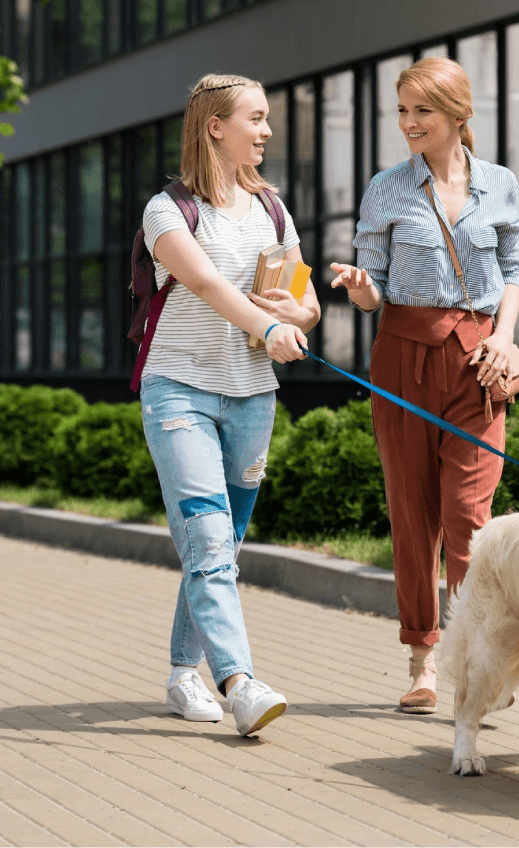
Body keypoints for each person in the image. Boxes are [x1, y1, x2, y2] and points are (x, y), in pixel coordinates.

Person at [330, 57, 519, 714]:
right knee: (412, 515)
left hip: (479, 361)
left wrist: (503, 337)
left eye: (422, 111)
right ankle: (423, 660)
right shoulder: (386, 188)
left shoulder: (498, 184)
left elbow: (512, 271)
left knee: (469, 516)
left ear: (457, 114)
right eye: (403, 111)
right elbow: (372, 287)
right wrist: (362, 290)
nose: (409, 123)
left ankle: (477, 659)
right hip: (403, 359)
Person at [140, 73, 320, 736]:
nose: (267, 130)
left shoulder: (273, 210)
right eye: (256, 118)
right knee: (209, 538)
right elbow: (209, 284)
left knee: (221, 544)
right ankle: (240, 683)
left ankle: (181, 673)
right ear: (215, 126)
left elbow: (307, 300)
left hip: (252, 398)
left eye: (267, 118)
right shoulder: (167, 212)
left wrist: (294, 314)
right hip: (178, 391)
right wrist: (268, 327)